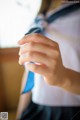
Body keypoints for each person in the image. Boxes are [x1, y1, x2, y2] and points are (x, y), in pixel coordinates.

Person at [17, 0, 80, 119]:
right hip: (35, 108)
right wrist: (20, 113)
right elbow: (29, 71)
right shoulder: (40, 18)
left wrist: (64, 78)